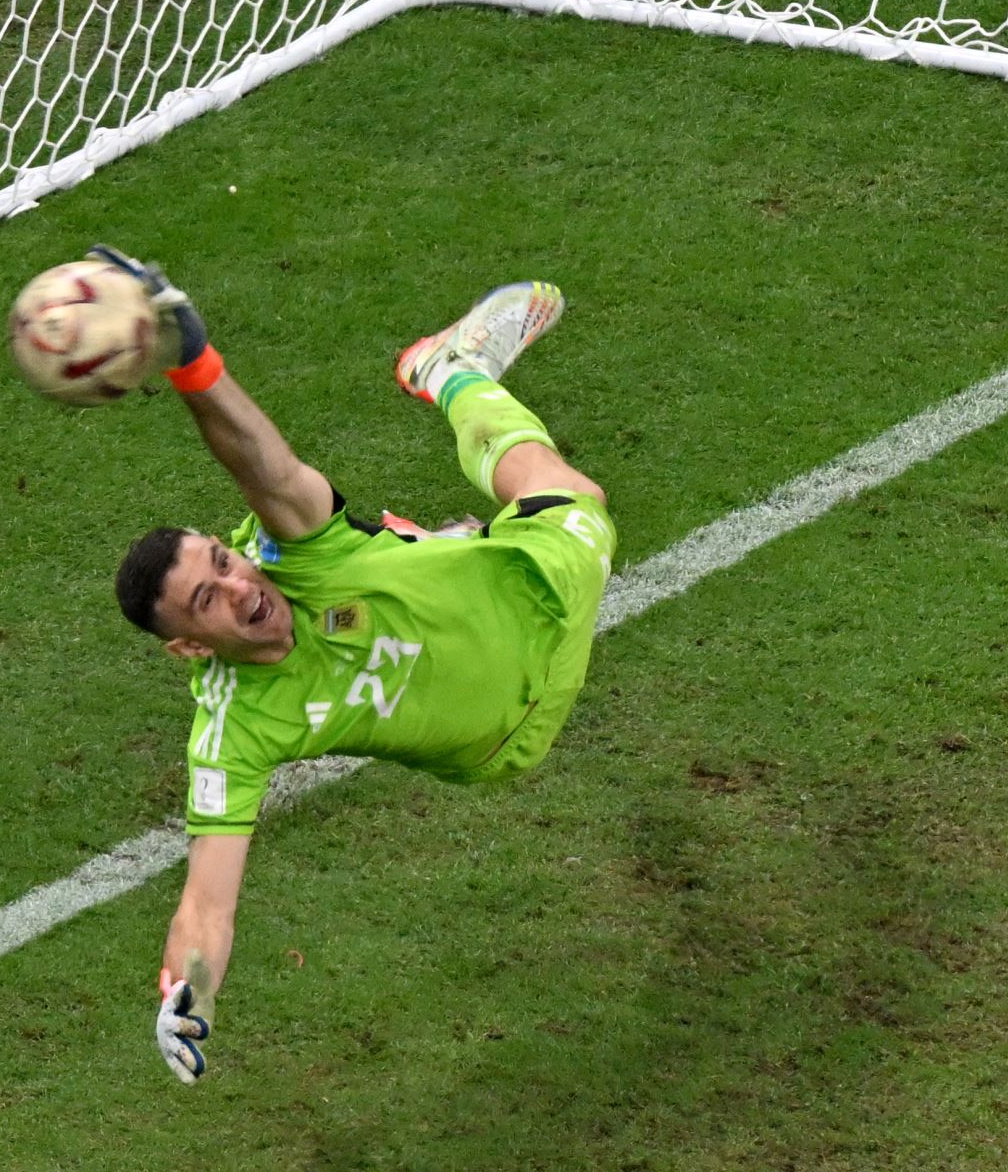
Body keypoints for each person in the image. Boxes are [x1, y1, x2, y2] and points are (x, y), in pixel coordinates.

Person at [94, 246, 617, 1085]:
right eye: (205, 601)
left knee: (575, 503)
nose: (237, 588)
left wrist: (193, 363)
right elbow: (206, 900)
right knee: (504, 526)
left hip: (529, 596)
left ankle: (451, 372)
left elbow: (260, 461)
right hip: (507, 742)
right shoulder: (236, 729)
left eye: (222, 566)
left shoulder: (291, 550)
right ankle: (432, 542)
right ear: (187, 647)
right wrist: (189, 991)